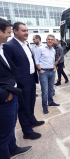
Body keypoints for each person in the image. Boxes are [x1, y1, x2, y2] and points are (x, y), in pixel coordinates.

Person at [3, 22, 44, 140]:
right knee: (23, 106)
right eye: (23, 31)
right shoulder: (9, 46)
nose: (27, 33)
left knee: (31, 103)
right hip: (21, 82)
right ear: (15, 31)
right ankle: (27, 131)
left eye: (27, 30)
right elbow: (9, 67)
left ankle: (32, 120)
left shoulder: (26, 44)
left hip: (31, 79)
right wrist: (16, 82)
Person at [0, 18, 32, 159]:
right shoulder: (9, 46)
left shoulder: (1, 48)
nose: (8, 35)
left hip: (13, 92)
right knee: (3, 137)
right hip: (5, 97)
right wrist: (3, 93)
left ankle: (13, 148)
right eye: (7, 32)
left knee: (10, 128)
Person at [35, 35, 60, 114]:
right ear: (46, 40)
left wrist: (54, 66)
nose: (50, 41)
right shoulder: (41, 49)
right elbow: (36, 60)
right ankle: (44, 107)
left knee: (51, 89)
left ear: (54, 41)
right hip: (44, 72)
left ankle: (50, 102)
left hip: (52, 71)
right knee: (44, 91)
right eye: (49, 39)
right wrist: (39, 69)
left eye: (52, 40)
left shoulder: (53, 50)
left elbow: (53, 60)